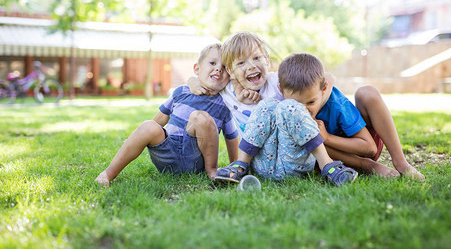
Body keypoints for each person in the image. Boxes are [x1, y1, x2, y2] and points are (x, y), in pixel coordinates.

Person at [190, 32, 358, 187]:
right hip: (261, 165)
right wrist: (192, 81)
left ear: (267, 61)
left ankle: (327, 166)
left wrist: (308, 107)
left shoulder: (278, 81)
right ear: (230, 72)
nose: (251, 66)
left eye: (256, 58)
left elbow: (327, 78)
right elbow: (204, 81)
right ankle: (241, 165)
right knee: (267, 106)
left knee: (280, 105)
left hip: (295, 158)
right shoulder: (227, 91)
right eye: (241, 63)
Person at [95, 44, 239, 186]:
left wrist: (235, 167)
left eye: (224, 67)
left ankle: (212, 171)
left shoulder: (226, 103)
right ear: (197, 68)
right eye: (212, 63)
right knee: (148, 125)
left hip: (196, 157)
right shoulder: (181, 92)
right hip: (167, 153)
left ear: (230, 76)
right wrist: (138, 137)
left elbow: (231, 138)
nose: (218, 68)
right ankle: (108, 173)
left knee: (199, 117)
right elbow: (158, 120)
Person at [276, 53, 425, 180]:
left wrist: (327, 137)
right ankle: (366, 166)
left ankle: (400, 162)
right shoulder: (284, 107)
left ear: (324, 89)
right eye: (296, 104)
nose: (305, 110)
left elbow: (370, 148)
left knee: (367, 92)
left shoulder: (336, 103)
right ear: (281, 92)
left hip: (359, 148)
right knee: (308, 132)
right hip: (326, 162)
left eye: (311, 102)